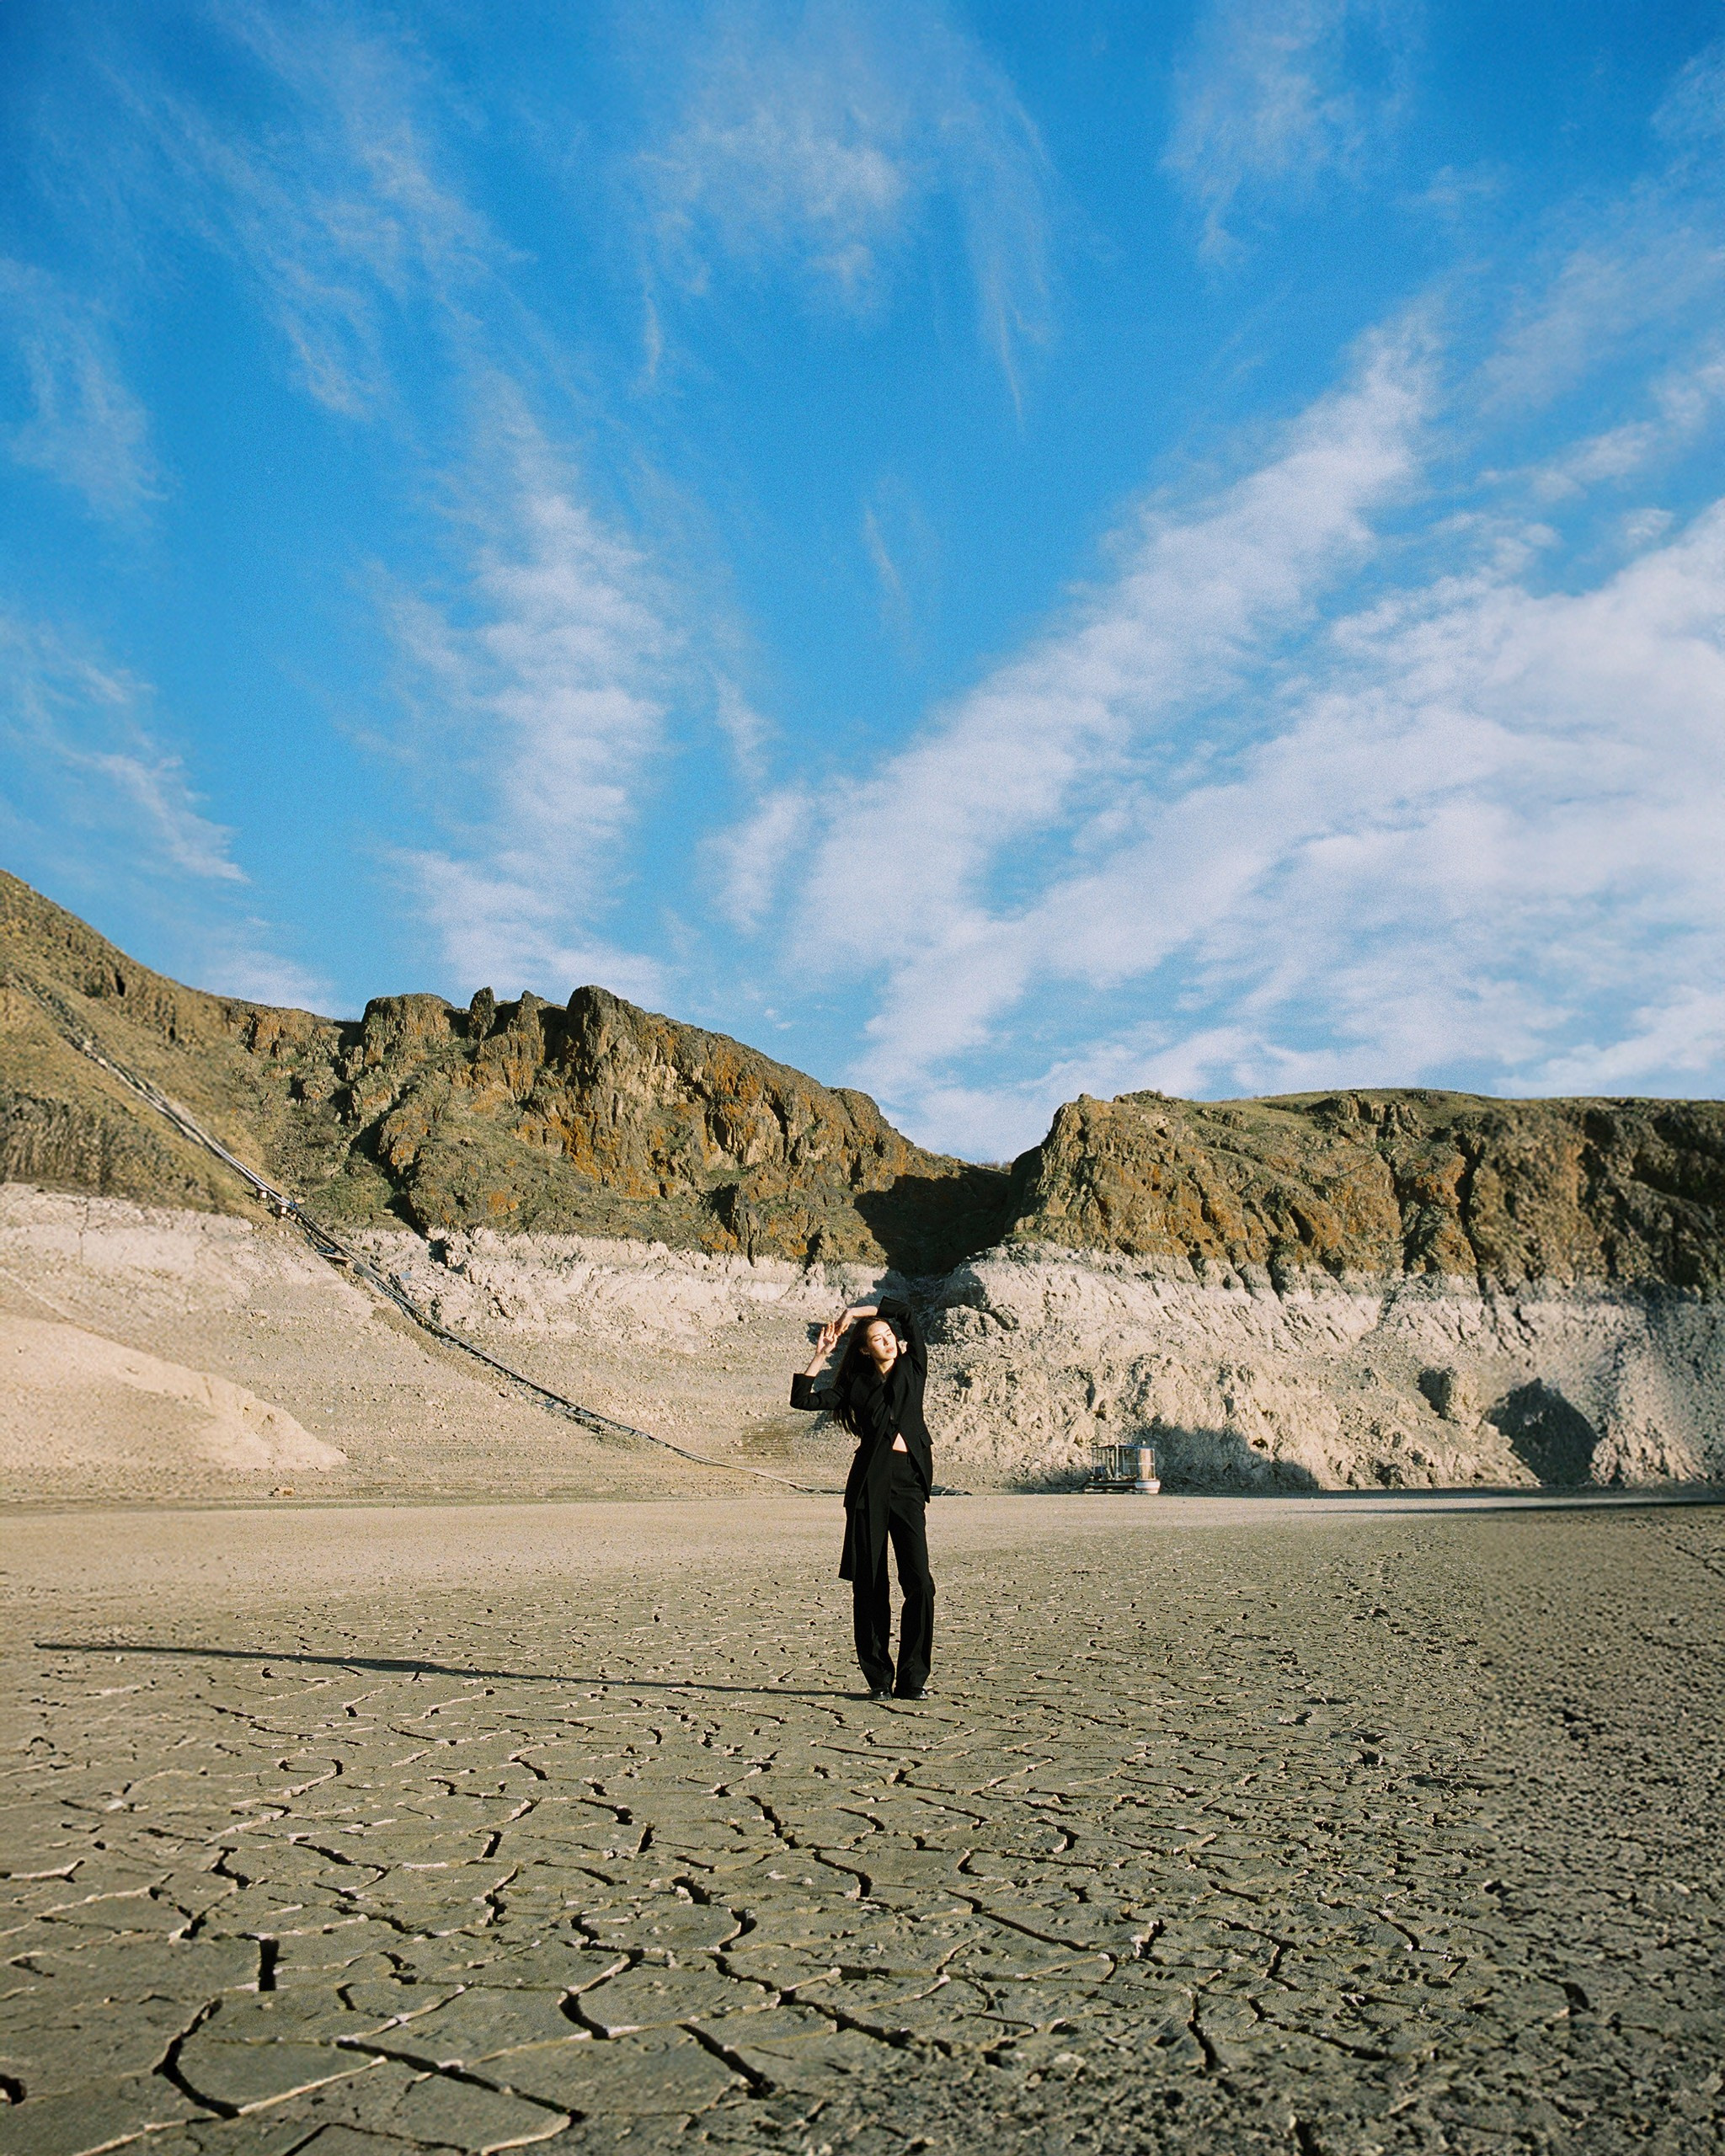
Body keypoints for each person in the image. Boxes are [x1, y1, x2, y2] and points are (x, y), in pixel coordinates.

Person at [790, 1301, 935, 1701]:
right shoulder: (855, 1385)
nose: (887, 1342)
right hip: (869, 1485)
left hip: (908, 1485)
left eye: (889, 1336)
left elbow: (908, 1315)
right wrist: (822, 1354)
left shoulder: (914, 1367)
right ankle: (879, 1680)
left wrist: (855, 1313)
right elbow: (802, 1400)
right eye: (877, 1339)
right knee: (871, 1584)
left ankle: (913, 1679)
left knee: (920, 1583)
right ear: (864, 1350)